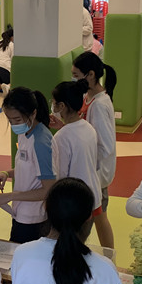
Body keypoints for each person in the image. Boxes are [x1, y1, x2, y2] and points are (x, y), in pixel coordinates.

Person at [0, 88, 55, 243]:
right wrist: (7, 174)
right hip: (20, 213)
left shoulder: (40, 143)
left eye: (17, 120)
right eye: (10, 120)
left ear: (33, 114)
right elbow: (29, 168)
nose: (14, 125)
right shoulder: (25, 132)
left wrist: (11, 195)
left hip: (34, 219)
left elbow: (48, 189)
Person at [70, 52, 117, 248]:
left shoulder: (99, 105)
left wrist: (88, 165)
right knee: (99, 216)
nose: (73, 79)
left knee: (96, 216)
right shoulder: (87, 97)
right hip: (90, 170)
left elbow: (105, 145)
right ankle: (108, 256)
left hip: (95, 173)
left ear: (90, 75)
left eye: (76, 75)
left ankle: (108, 257)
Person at [50, 80, 102, 219]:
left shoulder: (61, 137)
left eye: (54, 103)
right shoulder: (88, 128)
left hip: (75, 201)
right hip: (93, 194)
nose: (52, 107)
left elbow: (61, 176)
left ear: (62, 106)